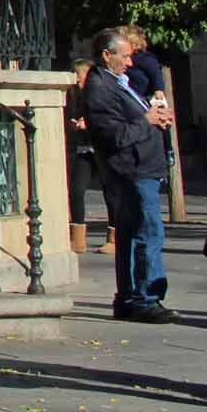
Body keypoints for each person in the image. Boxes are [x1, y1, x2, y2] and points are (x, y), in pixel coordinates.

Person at [82, 27, 176, 324]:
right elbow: (112, 135)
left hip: (140, 169)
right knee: (148, 233)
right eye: (124, 56)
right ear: (106, 55)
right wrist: (148, 121)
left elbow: (134, 119)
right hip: (132, 171)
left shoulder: (118, 83)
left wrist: (156, 117)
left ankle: (129, 298)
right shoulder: (100, 87)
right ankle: (146, 298)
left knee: (132, 235)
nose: (130, 62)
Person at [64, 58, 96, 256]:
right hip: (84, 147)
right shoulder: (74, 95)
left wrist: (89, 124)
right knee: (76, 190)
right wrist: (73, 123)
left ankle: (114, 237)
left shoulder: (98, 93)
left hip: (101, 147)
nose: (75, 78)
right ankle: (78, 238)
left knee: (112, 194)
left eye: (79, 74)